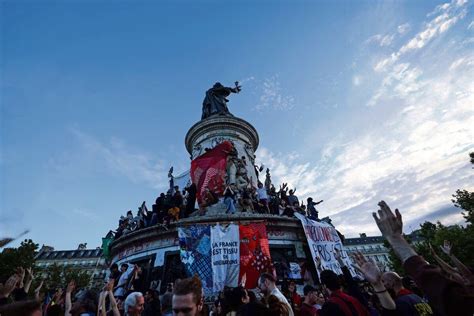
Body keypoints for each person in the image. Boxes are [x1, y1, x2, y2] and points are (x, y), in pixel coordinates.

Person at [372, 200, 474, 316]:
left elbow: (433, 278)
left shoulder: (461, 305)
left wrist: (395, 238)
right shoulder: (416, 297)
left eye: (384, 281)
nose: (461, 277)